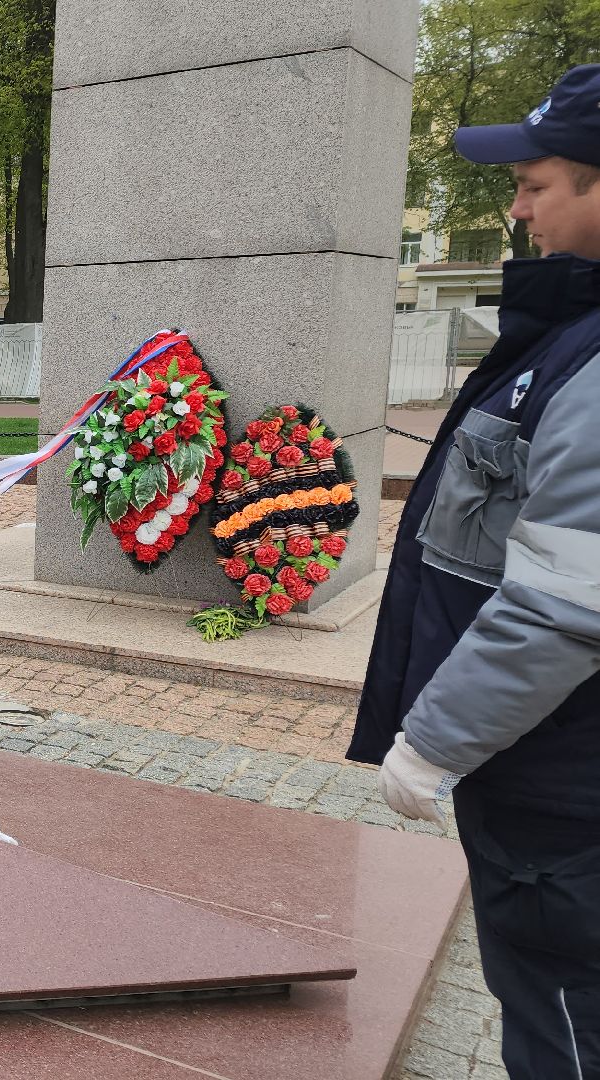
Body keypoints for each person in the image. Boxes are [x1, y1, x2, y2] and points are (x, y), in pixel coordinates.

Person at [350, 63, 600, 1076]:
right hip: (550, 766)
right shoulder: (568, 334)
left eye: (536, 182)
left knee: (560, 1023)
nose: (517, 205)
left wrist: (434, 739)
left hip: (559, 786)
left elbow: (565, 603)